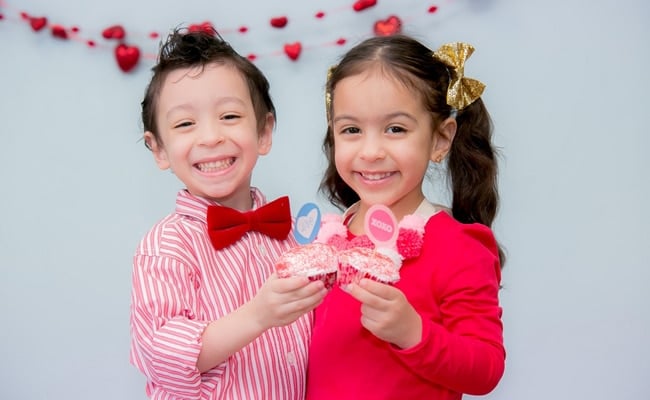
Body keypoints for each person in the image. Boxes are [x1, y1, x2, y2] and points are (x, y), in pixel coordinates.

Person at [129, 27, 327, 400]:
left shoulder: (293, 236)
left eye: (229, 116)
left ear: (264, 131)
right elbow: (163, 355)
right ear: (159, 149)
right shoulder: (165, 246)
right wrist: (257, 315)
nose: (210, 137)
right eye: (185, 124)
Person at [306, 34, 505, 399]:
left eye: (395, 129)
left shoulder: (458, 246)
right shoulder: (326, 240)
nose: (370, 151)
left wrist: (413, 332)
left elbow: (486, 368)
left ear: (440, 140)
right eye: (351, 130)